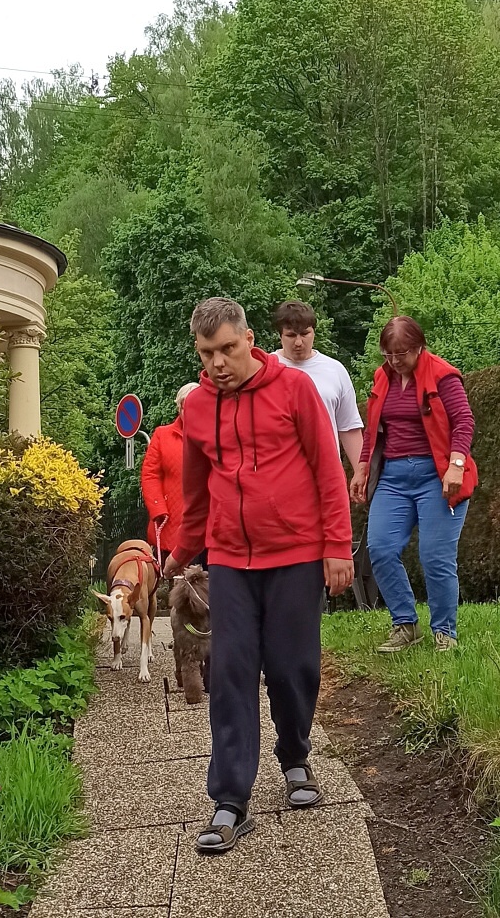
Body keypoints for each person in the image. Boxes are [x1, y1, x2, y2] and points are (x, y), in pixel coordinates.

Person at [163, 297, 354, 855]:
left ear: (249, 339)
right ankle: (230, 800)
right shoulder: (198, 408)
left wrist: (336, 546)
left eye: (227, 348)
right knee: (230, 671)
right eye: (207, 353)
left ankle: (294, 757)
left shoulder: (295, 390)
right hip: (229, 560)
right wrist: (180, 553)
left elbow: (328, 470)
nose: (218, 362)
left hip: (295, 554)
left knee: (293, 667)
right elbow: (196, 494)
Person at [350, 316, 477, 653]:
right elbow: (373, 430)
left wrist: (456, 466)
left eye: (401, 353)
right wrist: (362, 468)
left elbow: (464, 421)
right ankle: (405, 624)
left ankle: (444, 632)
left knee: (435, 556)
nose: (394, 361)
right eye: (388, 354)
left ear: (419, 347)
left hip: (437, 476)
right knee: (380, 548)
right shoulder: (382, 377)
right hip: (393, 478)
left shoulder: (443, 375)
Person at [273, 300, 364, 475]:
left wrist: (361, 472)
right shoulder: (266, 369)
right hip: (280, 475)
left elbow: (349, 426)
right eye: (291, 335)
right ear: (280, 335)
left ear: (314, 332)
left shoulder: (335, 370)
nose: (298, 342)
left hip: (326, 473)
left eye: (304, 334)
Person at [140, 382, 199, 565]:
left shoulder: (217, 434)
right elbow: (150, 475)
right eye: (186, 406)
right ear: (179, 407)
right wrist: (158, 509)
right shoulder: (162, 435)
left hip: (207, 525)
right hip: (170, 522)